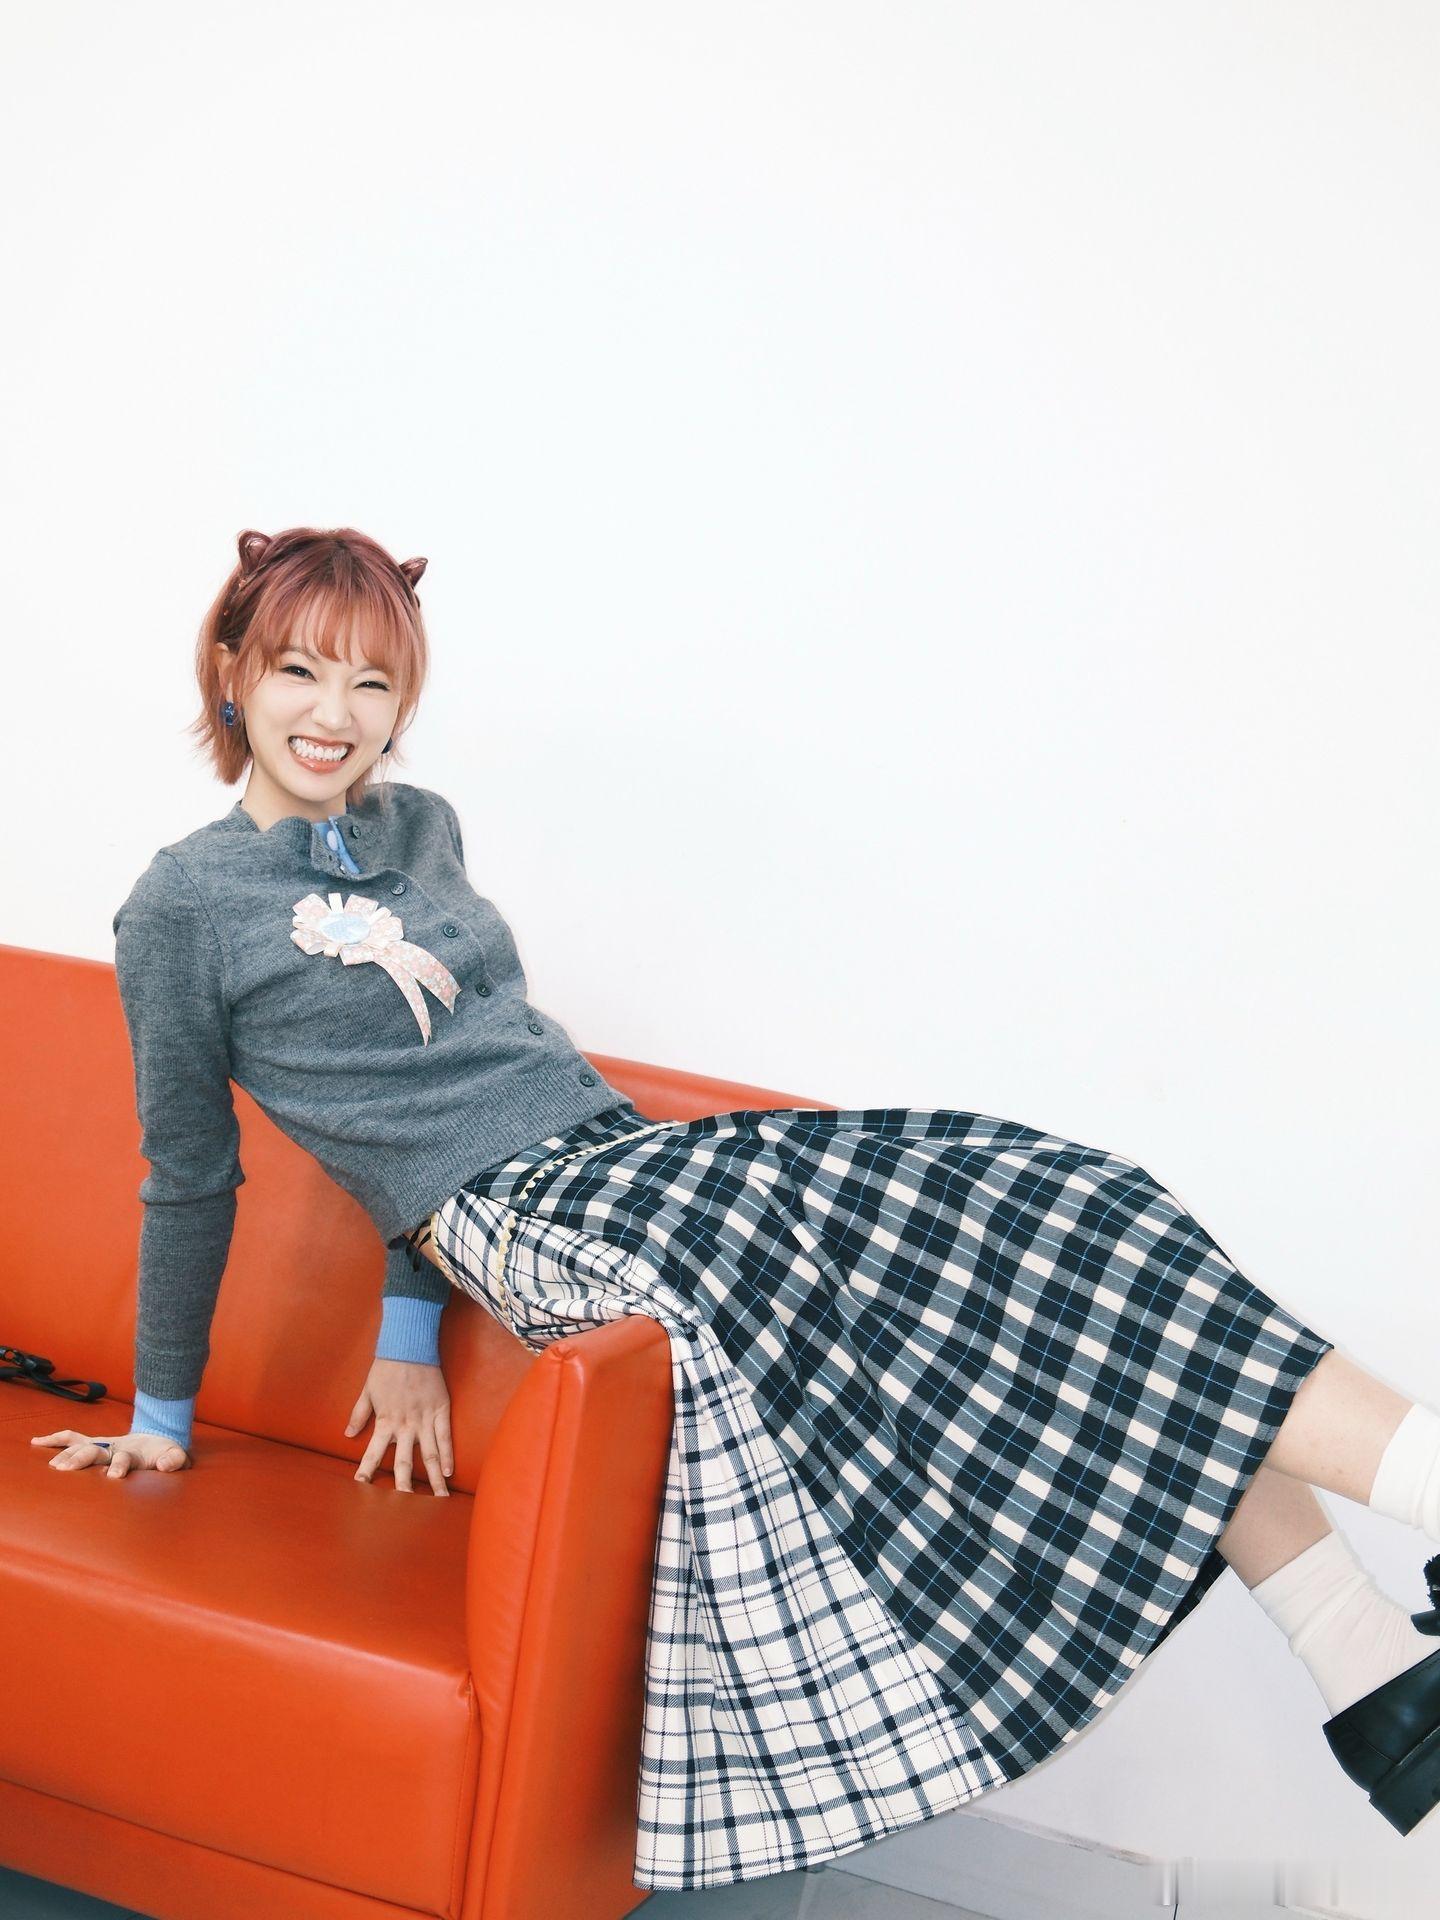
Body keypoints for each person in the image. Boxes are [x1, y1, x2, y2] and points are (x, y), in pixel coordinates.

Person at [30, 525, 1440, 1887]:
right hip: (541, 1223)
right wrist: (161, 1417)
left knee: (1067, 1210)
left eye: (373, 680)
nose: (334, 714)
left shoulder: (420, 826)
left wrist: (408, 1329)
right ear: (232, 670)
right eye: (299, 670)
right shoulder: (182, 907)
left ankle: (1372, 1670)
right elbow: (195, 1176)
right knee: (1025, 1246)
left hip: (623, 1158)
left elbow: (442, 1057)